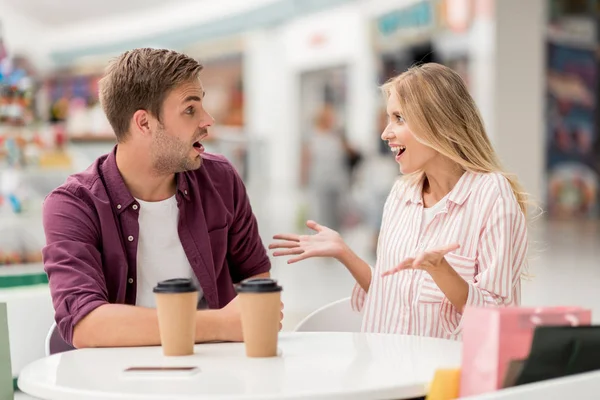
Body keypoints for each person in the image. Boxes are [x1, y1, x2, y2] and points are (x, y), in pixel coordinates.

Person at [270, 63, 529, 340]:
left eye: (399, 118)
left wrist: (442, 272)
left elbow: (499, 320)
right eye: (388, 118)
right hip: (386, 367)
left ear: (438, 122)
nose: (385, 133)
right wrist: (345, 253)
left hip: (447, 377)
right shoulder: (401, 193)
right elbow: (391, 296)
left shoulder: (491, 195)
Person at [42, 48, 279, 350]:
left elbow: (255, 279)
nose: (208, 120)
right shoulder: (73, 205)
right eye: (190, 109)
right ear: (144, 123)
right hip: (119, 379)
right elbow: (86, 324)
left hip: (216, 374)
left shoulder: (220, 180)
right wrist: (220, 324)